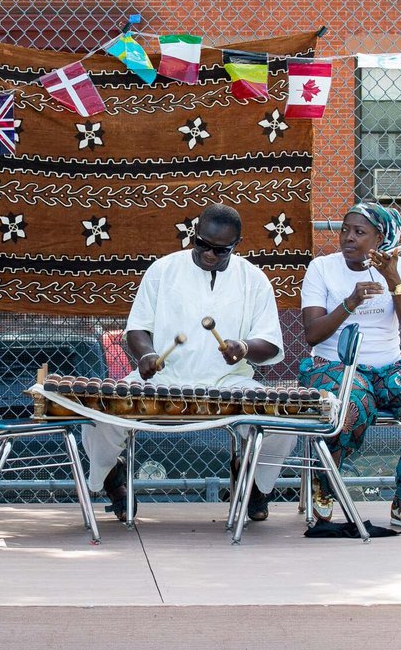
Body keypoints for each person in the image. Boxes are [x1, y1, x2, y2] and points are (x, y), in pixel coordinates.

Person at [81, 203, 295, 522]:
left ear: (236, 245)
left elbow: (269, 344)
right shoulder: (163, 270)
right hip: (162, 381)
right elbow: (137, 329)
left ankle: (255, 486)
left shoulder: (254, 279)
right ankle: (112, 478)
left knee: (280, 422)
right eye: (202, 245)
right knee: (97, 413)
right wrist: (148, 355)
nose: (209, 254)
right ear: (194, 236)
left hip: (229, 382)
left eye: (219, 250)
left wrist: (245, 347)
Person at [299, 201, 401, 531]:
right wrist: (349, 303)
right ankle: (323, 486)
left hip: (389, 369)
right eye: (345, 230)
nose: (348, 238)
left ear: (380, 238)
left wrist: (392, 277)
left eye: (359, 232)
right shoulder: (322, 268)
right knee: (353, 400)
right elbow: (312, 334)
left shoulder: (398, 268)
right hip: (332, 366)